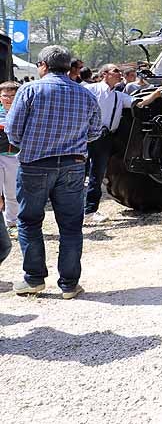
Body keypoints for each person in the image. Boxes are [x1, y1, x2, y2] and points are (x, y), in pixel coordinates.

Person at [6, 45, 102, 298]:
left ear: (43, 66)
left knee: (29, 222)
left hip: (35, 165)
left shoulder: (30, 89)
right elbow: (95, 132)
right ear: (68, 66)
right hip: (73, 166)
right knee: (71, 226)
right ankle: (69, 285)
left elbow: (13, 132)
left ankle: (34, 279)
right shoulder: (85, 94)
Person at [83, 64, 134, 223]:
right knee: (77, 174)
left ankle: (90, 211)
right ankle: (73, 211)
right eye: (116, 71)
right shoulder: (90, 89)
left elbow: (138, 102)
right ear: (105, 74)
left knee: (97, 175)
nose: (120, 74)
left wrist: (156, 93)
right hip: (86, 136)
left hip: (105, 139)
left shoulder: (119, 95)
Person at [0, 81, 22, 234]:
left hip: (15, 156)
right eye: (5, 95)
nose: (8, 99)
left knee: (12, 192)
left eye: (12, 96)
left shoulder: (22, 111)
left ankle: (12, 222)